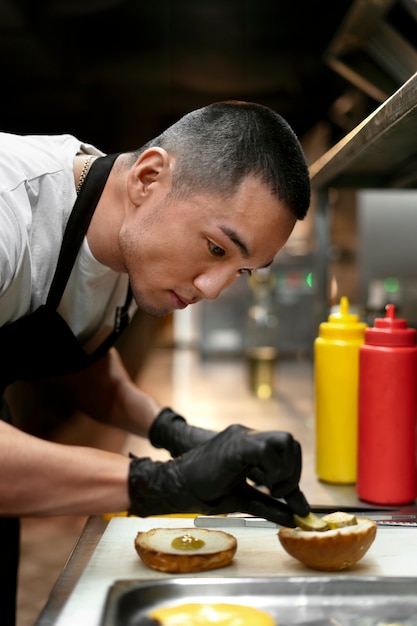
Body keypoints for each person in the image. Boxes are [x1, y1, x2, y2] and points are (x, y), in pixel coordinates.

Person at [0, 100, 311, 624]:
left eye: (243, 270)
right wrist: (160, 482)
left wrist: (177, 434)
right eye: (216, 249)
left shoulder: (126, 233)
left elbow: (83, 359)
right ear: (148, 177)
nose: (214, 289)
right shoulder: (9, 211)